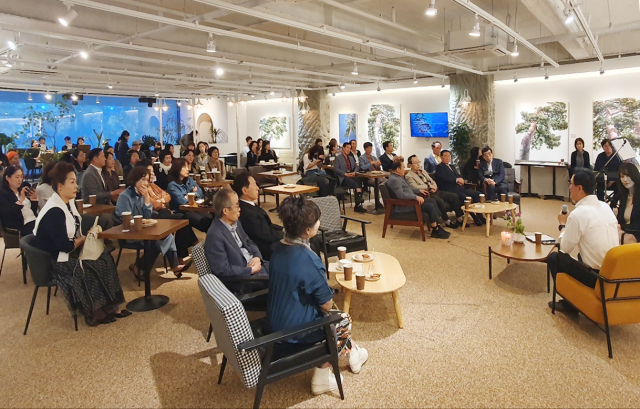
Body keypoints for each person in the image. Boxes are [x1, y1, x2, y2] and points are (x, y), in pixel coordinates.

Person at [267, 196, 368, 395]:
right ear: (308, 230)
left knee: (332, 316)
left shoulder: (277, 247)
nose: (319, 223)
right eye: (317, 221)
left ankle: (354, 351)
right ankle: (323, 374)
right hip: (294, 333)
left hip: (275, 321)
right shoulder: (309, 260)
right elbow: (327, 304)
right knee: (342, 319)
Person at [32, 162, 129, 327]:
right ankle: (95, 312)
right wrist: (83, 240)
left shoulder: (67, 203)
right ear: (60, 186)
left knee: (105, 259)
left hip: (66, 253)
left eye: (75, 182)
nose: (76, 186)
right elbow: (66, 246)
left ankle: (112, 307)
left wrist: (84, 238)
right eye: (72, 182)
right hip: (54, 261)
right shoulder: (54, 211)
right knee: (94, 266)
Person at [547, 169, 619, 312]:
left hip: (596, 276)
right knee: (581, 254)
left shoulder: (578, 214)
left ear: (579, 188)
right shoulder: (605, 207)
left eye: (571, 183)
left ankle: (570, 304)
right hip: (614, 272)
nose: (569, 187)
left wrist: (563, 225)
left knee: (555, 257)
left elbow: (565, 248)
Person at [115, 166, 186, 277]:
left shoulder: (142, 194)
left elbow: (147, 216)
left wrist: (147, 200)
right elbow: (125, 219)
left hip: (143, 230)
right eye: (142, 179)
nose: (145, 183)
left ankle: (173, 265)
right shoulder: (125, 196)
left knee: (167, 235)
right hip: (129, 232)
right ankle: (140, 267)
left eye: (147, 180)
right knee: (156, 240)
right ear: (135, 179)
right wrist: (140, 221)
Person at [205, 187, 268, 293]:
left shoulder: (235, 222)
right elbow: (222, 270)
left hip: (256, 266)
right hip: (244, 279)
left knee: (286, 268)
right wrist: (250, 270)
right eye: (237, 205)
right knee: (283, 280)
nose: (240, 209)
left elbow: (248, 241)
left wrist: (257, 257)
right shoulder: (215, 235)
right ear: (225, 211)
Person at [142, 160, 198, 261]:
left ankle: (181, 255)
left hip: (163, 212)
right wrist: (161, 202)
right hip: (153, 217)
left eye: (153, 172)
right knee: (182, 219)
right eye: (150, 172)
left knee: (182, 220)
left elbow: (167, 196)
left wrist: (161, 201)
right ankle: (191, 246)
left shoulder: (153, 186)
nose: (152, 174)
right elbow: (154, 205)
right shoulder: (143, 189)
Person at [386, 158, 450, 239]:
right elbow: (400, 195)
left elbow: (408, 189)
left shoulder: (398, 177)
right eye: (403, 167)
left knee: (432, 200)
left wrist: (418, 190)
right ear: (398, 169)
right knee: (429, 206)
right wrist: (415, 197)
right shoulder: (394, 180)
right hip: (406, 204)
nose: (404, 169)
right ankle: (435, 229)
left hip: (410, 200)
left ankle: (436, 225)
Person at [233, 172, 284, 260]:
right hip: (265, 250)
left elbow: (268, 226)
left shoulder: (249, 205)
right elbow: (267, 235)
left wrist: (284, 229)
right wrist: (287, 234)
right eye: (254, 185)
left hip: (268, 241)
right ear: (245, 190)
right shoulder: (246, 213)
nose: (258, 188)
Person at [406, 155, 462, 229]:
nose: (418, 164)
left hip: (435, 190)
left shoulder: (423, 172)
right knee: (440, 201)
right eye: (415, 163)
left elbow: (432, 181)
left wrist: (434, 187)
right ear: (410, 165)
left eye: (418, 162)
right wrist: (429, 187)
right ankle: (446, 221)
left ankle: (460, 218)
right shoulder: (409, 176)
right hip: (426, 193)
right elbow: (415, 187)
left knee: (454, 196)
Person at [435, 150, 484, 225]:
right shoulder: (439, 167)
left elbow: (458, 176)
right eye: (445, 156)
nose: (448, 158)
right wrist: (456, 180)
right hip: (450, 190)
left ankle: (480, 215)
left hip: (460, 188)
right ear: (441, 157)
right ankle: (474, 218)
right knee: (466, 198)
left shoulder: (452, 166)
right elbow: (444, 178)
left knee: (478, 194)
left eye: (449, 156)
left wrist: (461, 180)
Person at [167, 158, 212, 232]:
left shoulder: (189, 180)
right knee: (203, 223)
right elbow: (182, 202)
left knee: (211, 218)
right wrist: (192, 194)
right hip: (182, 212)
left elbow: (200, 192)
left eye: (187, 166)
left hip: (194, 208)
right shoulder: (172, 185)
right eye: (184, 167)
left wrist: (190, 195)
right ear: (177, 168)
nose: (187, 169)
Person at [0, 165, 38, 236]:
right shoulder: (3, 194)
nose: (20, 180)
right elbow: (7, 215)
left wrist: (33, 200)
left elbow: (30, 210)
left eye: (21, 177)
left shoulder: (22, 191)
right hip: (21, 225)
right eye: (17, 177)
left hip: (33, 220)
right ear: (8, 178)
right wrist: (20, 201)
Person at [334, 142, 366, 213]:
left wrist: (354, 172)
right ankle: (359, 199)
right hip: (343, 177)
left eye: (350, 148)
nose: (349, 150)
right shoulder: (338, 158)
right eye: (347, 148)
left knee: (359, 180)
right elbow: (336, 169)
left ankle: (358, 204)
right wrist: (345, 174)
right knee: (354, 182)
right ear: (343, 148)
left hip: (351, 175)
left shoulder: (351, 158)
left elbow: (357, 167)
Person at [616, 163, 640, 245]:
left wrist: (624, 230)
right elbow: (620, 220)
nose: (625, 179)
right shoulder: (623, 197)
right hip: (626, 234)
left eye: (628, 175)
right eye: (622, 177)